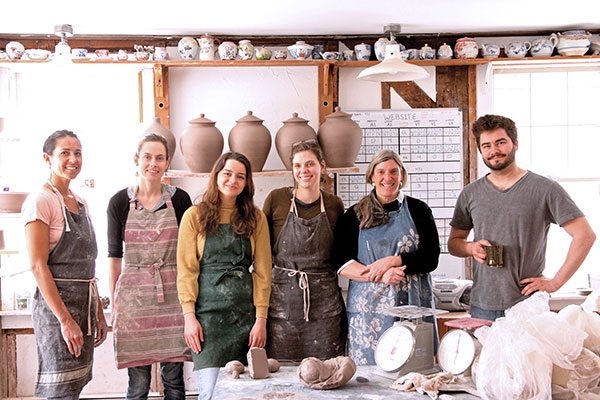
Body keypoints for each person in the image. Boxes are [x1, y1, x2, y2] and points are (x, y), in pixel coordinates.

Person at [448, 114, 596, 321]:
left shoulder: (545, 188)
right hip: (482, 305)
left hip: (529, 306)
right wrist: (471, 248)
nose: (494, 151)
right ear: (480, 150)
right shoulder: (470, 193)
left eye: (501, 143)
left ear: (515, 144)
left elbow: (585, 235)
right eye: (487, 145)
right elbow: (454, 244)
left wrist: (556, 282)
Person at [177, 152, 271, 400]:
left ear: (247, 183)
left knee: (245, 392)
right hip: (206, 318)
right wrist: (189, 317)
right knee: (209, 391)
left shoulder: (256, 217)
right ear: (216, 175)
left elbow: (263, 273)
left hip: (244, 318)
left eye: (240, 176)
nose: (233, 180)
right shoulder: (194, 216)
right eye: (227, 173)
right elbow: (186, 271)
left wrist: (260, 320)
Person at [333, 149, 440, 366]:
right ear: (372, 176)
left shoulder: (419, 210)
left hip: (411, 304)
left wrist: (394, 261)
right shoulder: (354, 215)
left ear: (402, 175)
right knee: (369, 375)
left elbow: (430, 258)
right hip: (368, 310)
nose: (387, 178)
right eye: (381, 171)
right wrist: (381, 276)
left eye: (393, 171)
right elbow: (341, 263)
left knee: (413, 368)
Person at [22, 130, 108, 399]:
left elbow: (88, 263)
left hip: (84, 307)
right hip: (57, 311)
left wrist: (98, 313)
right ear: (47, 158)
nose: (73, 159)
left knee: (75, 385)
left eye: (78, 153)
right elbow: (38, 266)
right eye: (65, 153)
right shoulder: (40, 201)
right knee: (59, 389)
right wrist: (65, 319)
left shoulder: (80, 201)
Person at [107, 134, 192, 400]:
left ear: (167, 163)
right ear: (137, 160)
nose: (152, 164)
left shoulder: (180, 200)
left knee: (174, 381)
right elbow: (114, 257)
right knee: (139, 383)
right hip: (134, 302)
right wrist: (115, 306)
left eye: (159, 158)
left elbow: (190, 256)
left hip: (172, 297)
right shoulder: (119, 202)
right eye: (147, 157)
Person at [263, 140, 347, 362]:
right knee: (282, 374)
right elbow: (262, 254)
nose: (303, 171)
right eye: (298, 165)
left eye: (309, 164)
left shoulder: (334, 204)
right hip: (282, 304)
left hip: (325, 307)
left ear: (322, 166)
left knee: (326, 372)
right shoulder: (276, 199)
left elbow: (341, 256)